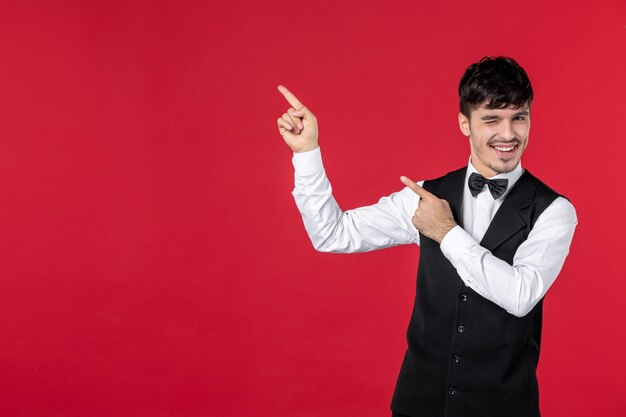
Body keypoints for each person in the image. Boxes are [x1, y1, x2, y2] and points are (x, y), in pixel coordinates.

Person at [275, 56, 577, 417]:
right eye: (491, 120)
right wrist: (307, 154)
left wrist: (446, 233)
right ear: (465, 123)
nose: (508, 134)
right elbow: (332, 233)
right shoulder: (426, 196)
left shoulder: (554, 210)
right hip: (417, 405)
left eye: (519, 117)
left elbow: (520, 295)